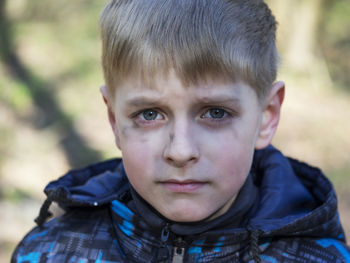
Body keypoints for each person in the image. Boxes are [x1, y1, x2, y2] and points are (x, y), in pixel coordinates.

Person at [11, 0, 350, 262]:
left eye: (215, 113)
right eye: (149, 114)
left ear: (267, 116)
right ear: (114, 119)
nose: (180, 150)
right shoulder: (50, 252)